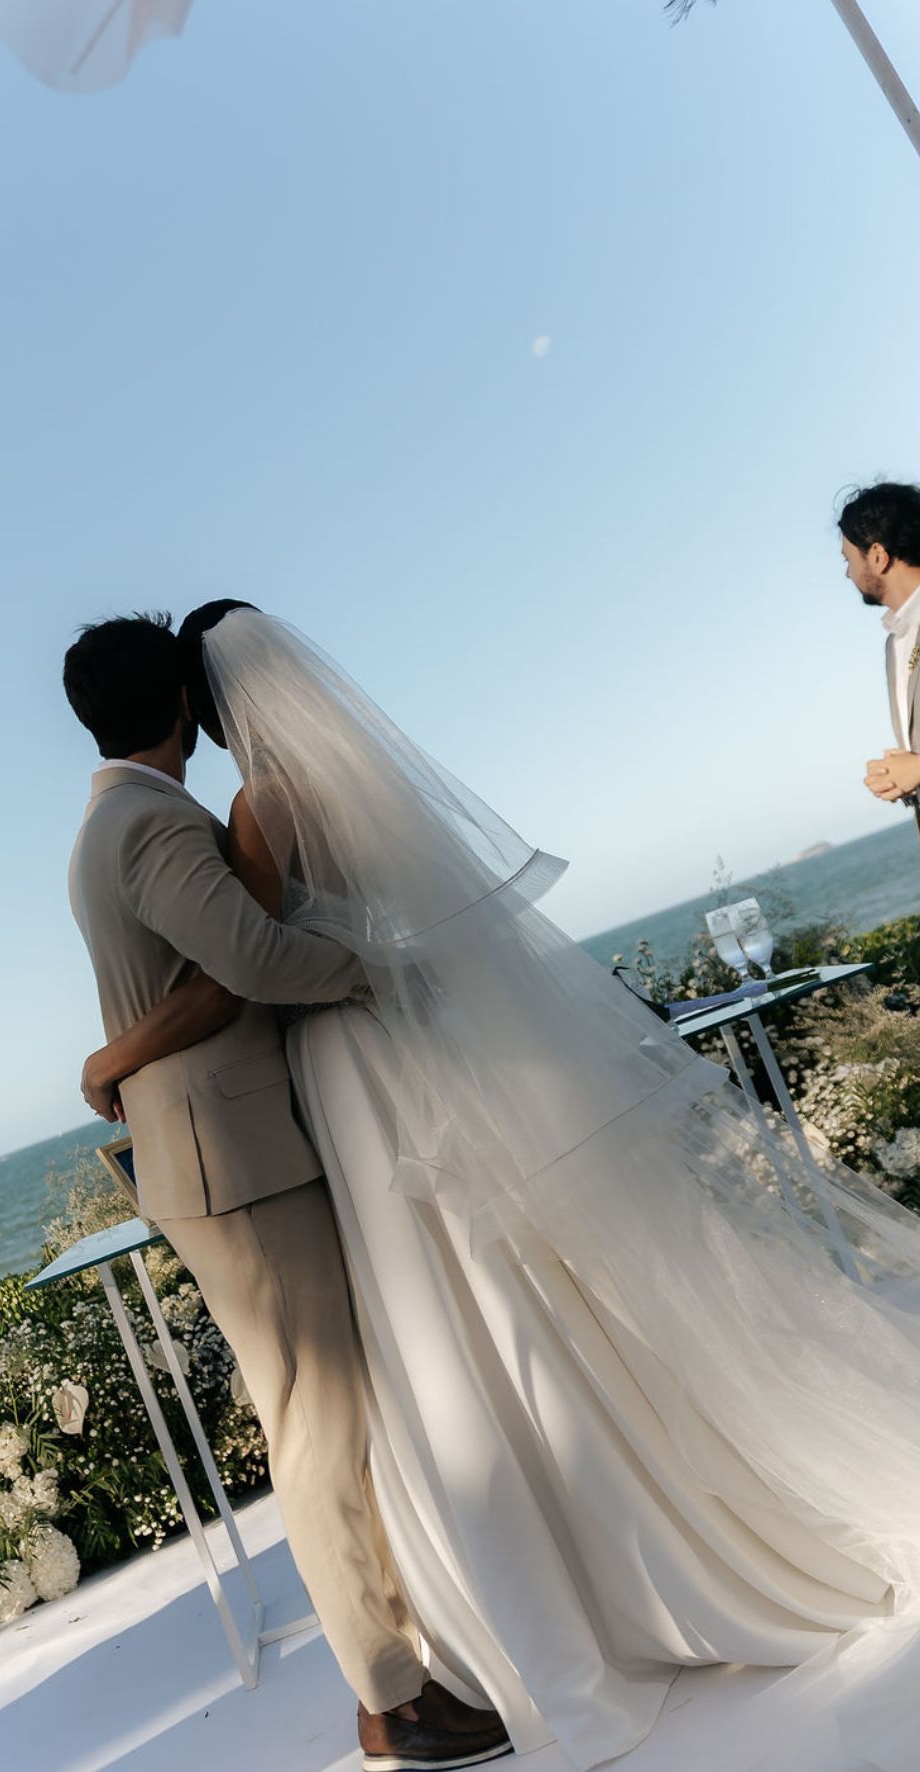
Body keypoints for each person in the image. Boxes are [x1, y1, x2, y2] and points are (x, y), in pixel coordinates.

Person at [84, 601, 920, 1772]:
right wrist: (381, 971)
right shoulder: (311, 787)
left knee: (416, 1304)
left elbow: (251, 967)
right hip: (374, 1053)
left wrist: (115, 1056)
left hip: (338, 1057)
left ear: (202, 700)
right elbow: (273, 950)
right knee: (462, 1280)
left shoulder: (247, 809)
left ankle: (481, 1610)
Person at [62, 615, 512, 1772]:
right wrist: (382, 970)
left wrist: (111, 1058)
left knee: (320, 1413)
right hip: (233, 1157)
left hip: (222, 1149)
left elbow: (209, 973)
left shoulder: (110, 820)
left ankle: (404, 1666)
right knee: (315, 1421)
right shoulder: (153, 819)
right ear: (179, 702)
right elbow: (251, 962)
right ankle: (391, 1699)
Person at [839, 481, 920, 829]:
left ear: (877, 555)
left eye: (848, 559)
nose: (847, 573)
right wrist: (902, 776)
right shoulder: (895, 643)